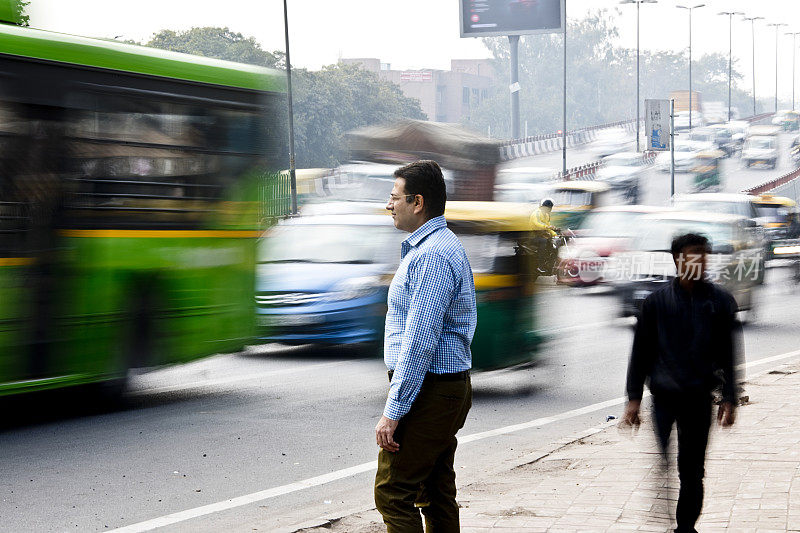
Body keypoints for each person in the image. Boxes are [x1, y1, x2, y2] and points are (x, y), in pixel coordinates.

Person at [374, 160, 476, 532]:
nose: (389, 205)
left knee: (392, 491)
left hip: (431, 391)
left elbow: (420, 341)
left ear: (417, 202)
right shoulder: (434, 247)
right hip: (441, 388)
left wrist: (394, 411)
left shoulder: (432, 255)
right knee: (435, 491)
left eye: (394, 197)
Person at [623, 232, 741, 533]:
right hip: (663, 396)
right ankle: (668, 513)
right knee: (664, 459)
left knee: (691, 471)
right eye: (693, 253)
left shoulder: (720, 303)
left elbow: (729, 354)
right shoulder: (655, 303)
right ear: (677, 260)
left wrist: (730, 397)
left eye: (704, 254)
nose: (700, 260)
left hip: (699, 398)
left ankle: (685, 527)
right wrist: (634, 399)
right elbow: (641, 352)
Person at [529, 198, 558, 274]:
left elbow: (548, 227)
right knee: (543, 241)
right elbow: (537, 223)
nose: (550, 210)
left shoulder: (546, 215)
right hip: (532, 236)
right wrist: (547, 227)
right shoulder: (537, 213)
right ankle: (540, 266)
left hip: (541, 234)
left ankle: (548, 262)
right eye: (550, 208)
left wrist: (555, 234)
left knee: (552, 242)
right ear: (546, 207)